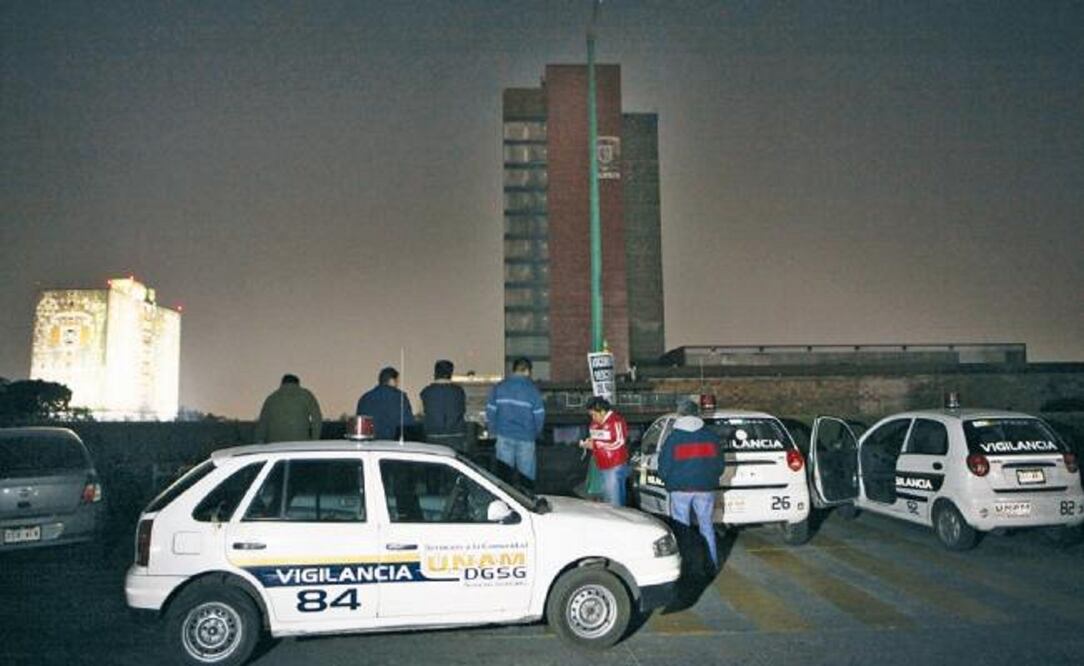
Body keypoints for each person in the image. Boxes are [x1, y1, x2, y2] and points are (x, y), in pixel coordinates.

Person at [658, 400, 726, 570]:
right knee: (706, 526)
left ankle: (687, 566)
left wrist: (668, 480)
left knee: (682, 528)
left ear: (680, 415)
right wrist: (710, 479)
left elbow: (664, 466)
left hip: (680, 490)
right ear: (697, 414)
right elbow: (719, 465)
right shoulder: (710, 436)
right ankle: (711, 564)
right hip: (705, 489)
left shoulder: (673, 438)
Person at [485, 357, 545, 489]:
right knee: (526, 476)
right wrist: (536, 433)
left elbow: (490, 412)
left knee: (504, 476)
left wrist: (492, 430)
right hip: (526, 437)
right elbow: (539, 416)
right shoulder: (532, 390)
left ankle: (505, 504)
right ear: (527, 371)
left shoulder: (499, 387)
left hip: (504, 435)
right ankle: (526, 503)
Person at [579, 397, 629, 507]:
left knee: (614, 501)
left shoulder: (616, 421)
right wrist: (589, 442)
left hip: (615, 465)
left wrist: (597, 445)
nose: (593, 417)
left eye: (594, 414)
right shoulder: (594, 423)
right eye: (591, 415)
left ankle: (617, 522)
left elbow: (620, 442)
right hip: (602, 465)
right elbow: (595, 439)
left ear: (602, 411)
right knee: (608, 499)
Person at [255, 374, 322, 443]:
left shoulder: (271, 398)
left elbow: (262, 424)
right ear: (297, 383)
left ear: (282, 383)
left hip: (276, 446)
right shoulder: (306, 395)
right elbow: (317, 419)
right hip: (300, 444)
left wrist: (259, 442)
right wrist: (314, 440)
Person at [356, 366, 416, 440]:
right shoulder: (399, 397)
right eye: (397, 381)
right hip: (391, 447)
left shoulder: (364, 398)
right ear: (391, 380)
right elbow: (408, 425)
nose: (397, 384)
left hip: (368, 446)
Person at [420, 359, 467, 451]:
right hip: (456, 435)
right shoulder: (459, 391)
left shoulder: (426, 392)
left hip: (433, 436)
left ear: (435, 373)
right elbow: (463, 410)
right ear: (450, 374)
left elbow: (422, 413)